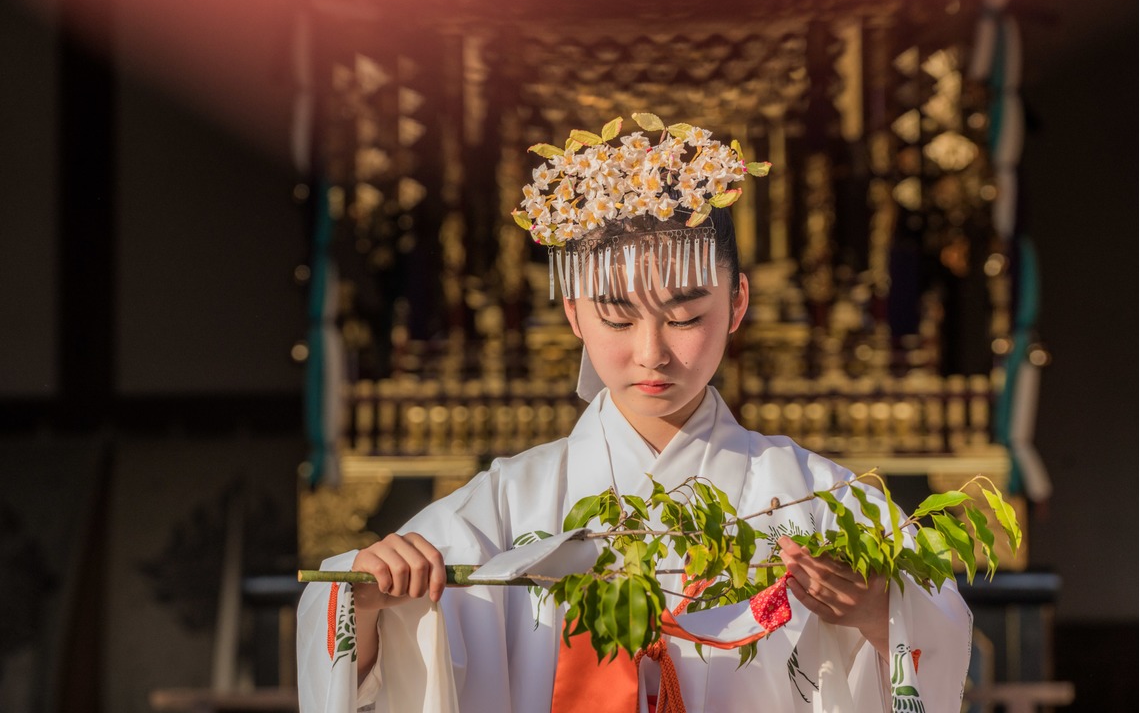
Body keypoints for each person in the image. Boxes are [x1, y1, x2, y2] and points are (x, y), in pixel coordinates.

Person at [297, 118, 972, 713]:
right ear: (574, 315)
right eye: (618, 316)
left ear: (736, 304)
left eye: (684, 316)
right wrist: (368, 600)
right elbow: (358, 631)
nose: (653, 353)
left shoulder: (820, 503)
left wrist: (883, 615)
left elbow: (936, 640)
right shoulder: (503, 511)